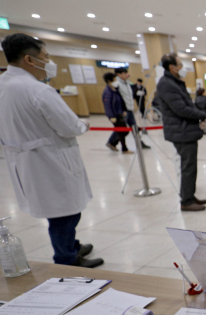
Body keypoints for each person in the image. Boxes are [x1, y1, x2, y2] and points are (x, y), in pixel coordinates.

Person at [0, 33, 103, 268]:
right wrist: (82, 124)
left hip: (24, 161)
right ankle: (66, 258)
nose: (49, 62)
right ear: (29, 59)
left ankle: (71, 246)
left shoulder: (4, 84)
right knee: (64, 214)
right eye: (46, 56)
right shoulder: (38, 90)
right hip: (50, 161)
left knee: (58, 210)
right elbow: (69, 126)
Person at [156, 53, 206, 212]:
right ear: (171, 67)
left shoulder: (174, 82)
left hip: (185, 130)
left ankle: (190, 196)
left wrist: (199, 113)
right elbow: (181, 109)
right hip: (181, 131)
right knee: (188, 167)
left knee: (190, 167)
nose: (182, 68)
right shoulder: (166, 84)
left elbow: (188, 104)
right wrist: (202, 115)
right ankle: (186, 201)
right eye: (179, 64)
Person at [114, 67, 150, 149]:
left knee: (135, 128)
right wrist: (121, 110)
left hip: (130, 109)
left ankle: (140, 143)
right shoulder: (117, 85)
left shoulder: (127, 83)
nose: (126, 75)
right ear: (118, 74)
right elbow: (117, 99)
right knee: (122, 129)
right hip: (123, 111)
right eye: (124, 73)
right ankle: (112, 142)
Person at [102, 72, 131, 153]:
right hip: (114, 116)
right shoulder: (107, 92)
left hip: (120, 114)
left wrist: (123, 110)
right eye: (114, 79)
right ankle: (123, 148)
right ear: (109, 80)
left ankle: (112, 143)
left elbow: (120, 101)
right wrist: (111, 116)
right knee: (122, 131)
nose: (116, 81)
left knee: (124, 131)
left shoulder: (115, 90)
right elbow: (107, 105)